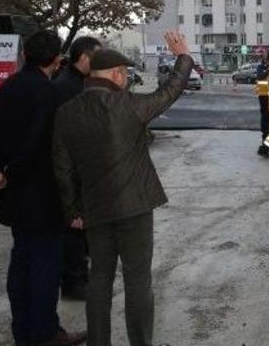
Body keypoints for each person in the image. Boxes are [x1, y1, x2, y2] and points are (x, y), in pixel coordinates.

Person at [52, 32, 192, 346]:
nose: (126, 79)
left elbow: (62, 167)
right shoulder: (128, 105)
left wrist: (73, 209)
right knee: (138, 279)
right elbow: (169, 92)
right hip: (135, 207)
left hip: (95, 209)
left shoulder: (67, 112)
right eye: (125, 74)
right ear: (116, 74)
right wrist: (183, 58)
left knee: (99, 277)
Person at [0, 30, 86, 346]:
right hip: (42, 195)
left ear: (24, 55)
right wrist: (11, 170)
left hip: (14, 195)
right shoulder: (49, 93)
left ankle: (24, 332)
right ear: (57, 60)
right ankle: (44, 334)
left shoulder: (9, 85)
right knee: (43, 268)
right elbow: (39, 143)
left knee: (22, 264)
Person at [53, 36, 102, 301]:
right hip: (73, 168)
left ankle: (80, 276)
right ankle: (73, 281)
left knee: (83, 227)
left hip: (84, 168)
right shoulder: (67, 87)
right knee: (74, 225)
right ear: (84, 57)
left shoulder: (78, 82)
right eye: (97, 56)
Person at [255, 52, 269, 141]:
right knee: (265, 115)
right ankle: (265, 135)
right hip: (263, 95)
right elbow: (259, 77)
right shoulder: (261, 67)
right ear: (267, 59)